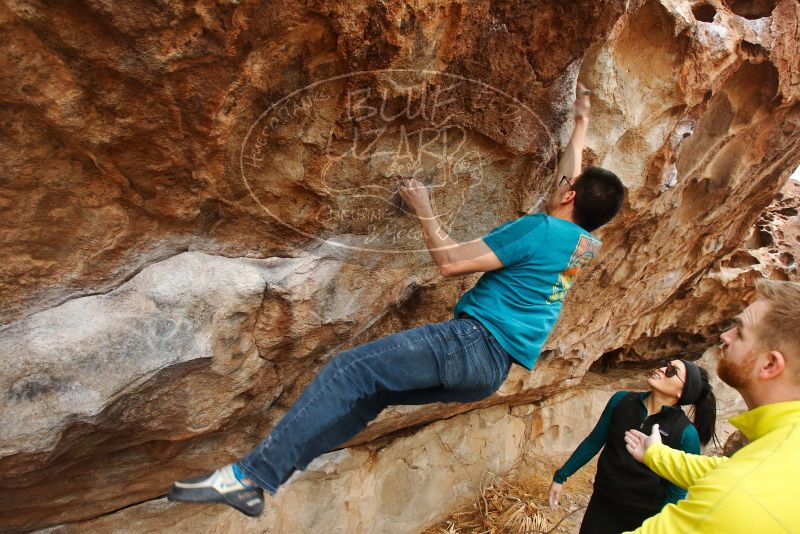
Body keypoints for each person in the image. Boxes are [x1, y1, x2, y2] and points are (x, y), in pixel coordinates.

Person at [166, 83, 625, 517]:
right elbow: (572, 179)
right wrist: (580, 122)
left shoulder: (540, 229)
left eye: (570, 184)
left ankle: (251, 477)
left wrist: (425, 208)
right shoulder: (582, 245)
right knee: (367, 395)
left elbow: (450, 262)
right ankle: (262, 481)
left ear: (569, 195)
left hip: (472, 343)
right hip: (489, 373)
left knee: (350, 369)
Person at [623, 279, 800, 532]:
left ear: (769, 365)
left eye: (739, 331)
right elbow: (727, 468)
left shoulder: (736, 496)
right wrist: (656, 454)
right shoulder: (783, 447)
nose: (724, 336)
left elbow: (735, 482)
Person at [547, 359, 717, 534]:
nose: (662, 368)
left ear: (682, 392)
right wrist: (561, 476)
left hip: (643, 517)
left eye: (672, 370)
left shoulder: (685, 433)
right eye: (666, 364)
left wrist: (658, 527)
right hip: (602, 502)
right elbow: (594, 441)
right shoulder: (621, 400)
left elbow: (677, 491)